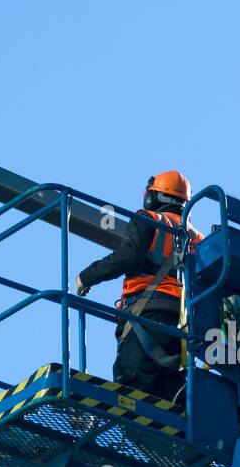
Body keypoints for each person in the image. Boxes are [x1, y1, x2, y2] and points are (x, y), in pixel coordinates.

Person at [75, 171, 204, 404]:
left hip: (147, 316)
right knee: (172, 400)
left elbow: (127, 257)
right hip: (184, 327)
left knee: (132, 392)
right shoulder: (200, 241)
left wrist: (86, 277)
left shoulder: (149, 219)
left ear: (152, 198)